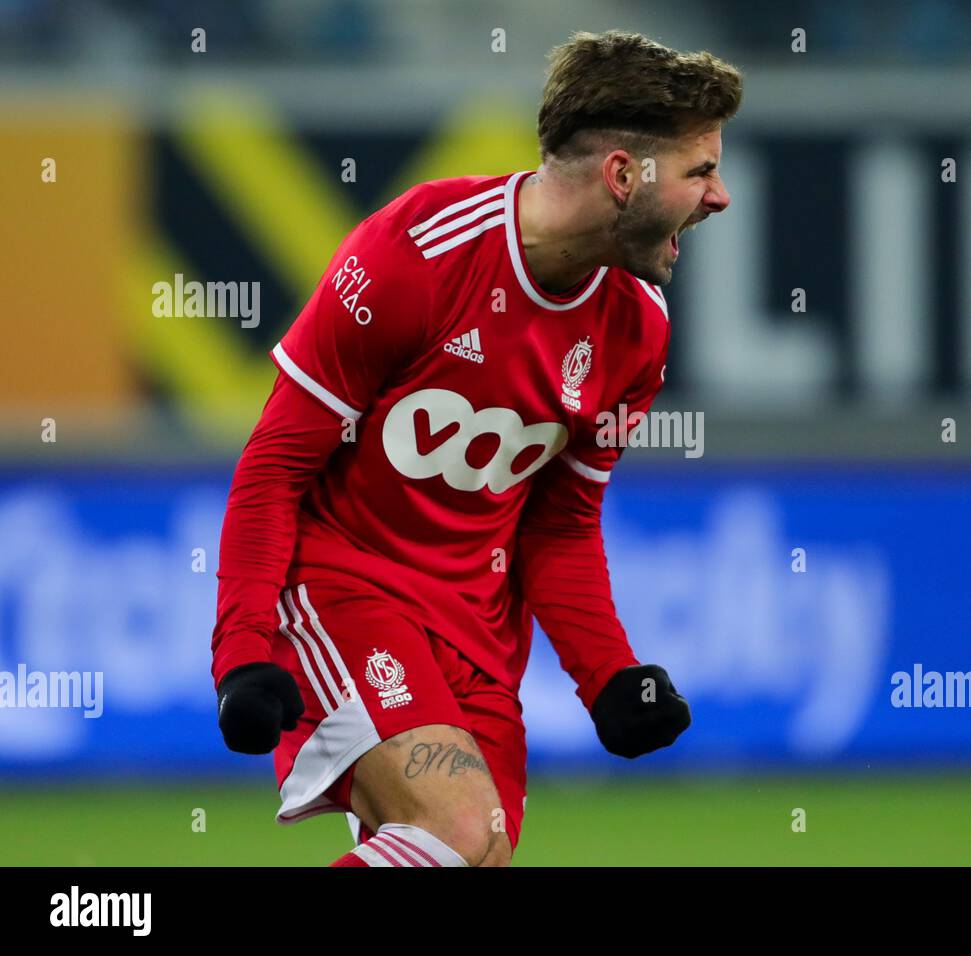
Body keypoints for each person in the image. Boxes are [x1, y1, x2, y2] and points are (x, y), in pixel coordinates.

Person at [209, 29, 742, 867]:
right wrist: (240, 654)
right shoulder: (417, 253)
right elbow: (275, 467)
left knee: (475, 853)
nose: (720, 197)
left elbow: (560, 526)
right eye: (700, 170)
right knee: (460, 831)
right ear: (622, 175)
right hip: (346, 589)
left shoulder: (637, 330)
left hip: (480, 642)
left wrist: (607, 675)